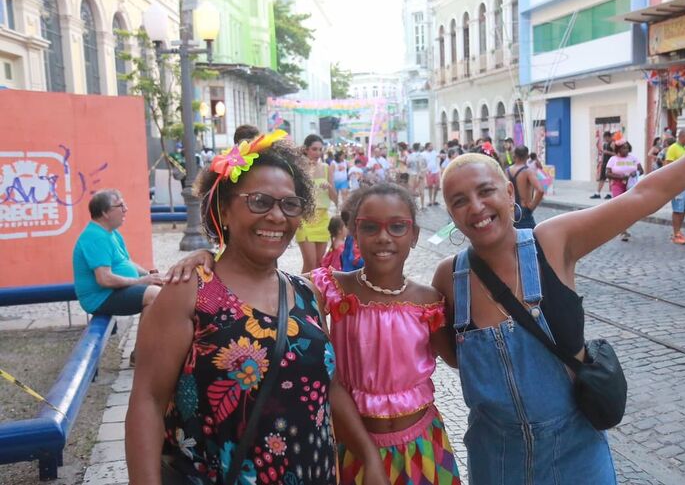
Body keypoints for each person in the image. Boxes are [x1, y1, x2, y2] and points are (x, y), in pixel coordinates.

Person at [430, 78, 685, 485]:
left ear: (508, 192)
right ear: (449, 211)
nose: (476, 208)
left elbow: (644, 195)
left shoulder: (553, 242)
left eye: (485, 192)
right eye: (459, 201)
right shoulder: (449, 277)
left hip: (575, 453)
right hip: (496, 459)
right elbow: (454, 357)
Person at [126, 135, 388, 485]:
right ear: (223, 210)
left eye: (289, 204)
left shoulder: (306, 293)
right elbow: (147, 401)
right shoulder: (189, 294)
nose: (277, 216)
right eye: (259, 201)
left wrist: (368, 456)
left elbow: (330, 386)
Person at [310, 183, 461, 484]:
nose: (383, 237)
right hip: (352, 445)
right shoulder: (330, 288)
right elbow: (268, 283)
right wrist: (209, 262)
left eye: (397, 227)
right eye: (370, 227)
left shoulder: (429, 300)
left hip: (423, 443)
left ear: (414, 235)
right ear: (353, 231)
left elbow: (459, 359)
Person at [72, 189, 162, 363]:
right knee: (154, 294)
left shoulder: (110, 233)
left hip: (113, 291)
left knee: (162, 288)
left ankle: (144, 351)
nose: (126, 209)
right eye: (120, 205)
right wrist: (141, 281)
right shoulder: (96, 237)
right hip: (101, 298)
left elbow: (125, 262)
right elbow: (104, 279)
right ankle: (142, 353)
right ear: (105, 212)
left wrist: (151, 274)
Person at [297, 134, 337, 273]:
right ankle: (300, 292)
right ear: (306, 149)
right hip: (305, 217)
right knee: (309, 262)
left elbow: (334, 197)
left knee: (318, 263)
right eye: (314, 149)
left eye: (320, 149)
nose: (318, 153)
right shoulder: (299, 168)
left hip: (323, 218)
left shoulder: (326, 167)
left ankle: (315, 292)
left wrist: (330, 188)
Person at [606, 140, 644, 241]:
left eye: (627, 147)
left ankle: (623, 228)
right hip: (617, 185)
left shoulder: (633, 158)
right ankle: (622, 231)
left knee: (627, 208)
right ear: (618, 149)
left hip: (631, 186)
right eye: (623, 148)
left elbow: (641, 170)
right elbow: (607, 173)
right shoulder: (613, 159)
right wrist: (620, 176)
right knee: (619, 206)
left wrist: (634, 172)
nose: (626, 150)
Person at [664, 128, 685, 245]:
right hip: (678, 184)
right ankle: (675, 233)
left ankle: (679, 231)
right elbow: (668, 166)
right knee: (677, 209)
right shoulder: (673, 148)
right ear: (682, 137)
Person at [507, 146, 544, 229]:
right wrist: (532, 206)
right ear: (527, 156)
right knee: (531, 238)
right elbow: (540, 190)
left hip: (511, 210)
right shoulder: (527, 171)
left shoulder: (508, 171)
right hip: (524, 210)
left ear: (514, 156)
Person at [591, 130, 615, 199]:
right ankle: (597, 193)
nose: (604, 139)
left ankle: (610, 194)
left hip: (611, 164)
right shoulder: (605, 144)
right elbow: (604, 154)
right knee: (602, 179)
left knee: (611, 179)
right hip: (605, 164)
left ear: (608, 137)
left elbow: (616, 154)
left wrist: (607, 152)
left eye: (605, 138)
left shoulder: (613, 144)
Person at [407, 143, 427, 207]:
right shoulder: (423, 156)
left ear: (413, 148)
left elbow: (408, 165)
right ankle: (422, 205)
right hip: (420, 174)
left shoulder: (410, 156)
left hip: (412, 175)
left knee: (412, 190)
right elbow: (425, 166)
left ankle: (413, 205)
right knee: (421, 190)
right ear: (419, 148)